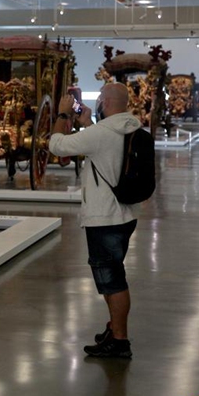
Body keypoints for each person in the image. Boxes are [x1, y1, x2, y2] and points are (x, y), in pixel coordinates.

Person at [48, 83, 140, 358]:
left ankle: (120, 340)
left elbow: (57, 145)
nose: (98, 101)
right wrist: (88, 123)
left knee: (112, 281)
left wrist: (64, 115)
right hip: (125, 214)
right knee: (113, 276)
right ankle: (115, 328)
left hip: (104, 218)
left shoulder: (102, 133)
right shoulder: (129, 126)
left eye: (100, 98)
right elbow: (101, 146)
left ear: (107, 102)